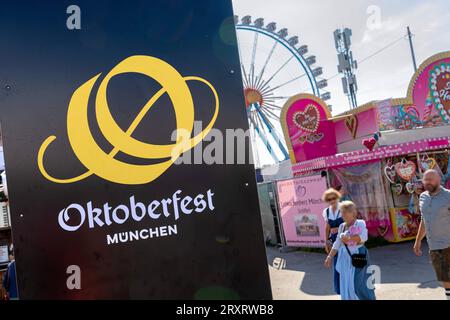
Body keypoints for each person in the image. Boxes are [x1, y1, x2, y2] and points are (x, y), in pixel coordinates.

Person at [324, 201, 376, 300]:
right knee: (346, 282)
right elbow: (337, 243)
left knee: (358, 282)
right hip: (345, 258)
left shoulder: (360, 223)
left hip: (358, 255)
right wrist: (329, 257)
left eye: (344, 212)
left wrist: (349, 239)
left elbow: (364, 237)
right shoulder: (342, 226)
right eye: (341, 212)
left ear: (352, 213)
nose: (342, 215)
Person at [413, 169, 450, 300]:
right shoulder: (423, 197)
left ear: (439, 179)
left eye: (431, 179)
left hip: (448, 243)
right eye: (425, 179)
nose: (427, 182)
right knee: (444, 277)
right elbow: (424, 219)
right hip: (433, 245)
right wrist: (418, 241)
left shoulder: (448, 196)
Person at [322, 188, 343, 294]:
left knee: (346, 263)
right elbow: (327, 228)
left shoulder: (344, 208)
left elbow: (351, 223)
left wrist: (338, 228)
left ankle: (350, 287)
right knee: (336, 265)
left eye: (334, 198)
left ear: (337, 197)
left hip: (345, 239)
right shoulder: (326, 211)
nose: (332, 200)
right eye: (329, 199)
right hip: (334, 240)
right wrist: (326, 242)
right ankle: (340, 290)